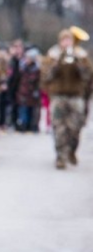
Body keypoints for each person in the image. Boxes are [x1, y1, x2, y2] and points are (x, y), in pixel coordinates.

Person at [42, 29, 93, 169]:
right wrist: (58, 63)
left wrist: (77, 63)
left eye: (69, 40)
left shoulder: (81, 55)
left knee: (75, 127)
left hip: (76, 96)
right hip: (58, 96)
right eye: (64, 40)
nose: (66, 43)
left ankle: (71, 150)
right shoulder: (52, 55)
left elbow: (88, 76)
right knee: (58, 127)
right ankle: (60, 156)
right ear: (60, 41)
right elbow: (46, 76)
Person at [15, 48, 41, 133]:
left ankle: (33, 126)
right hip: (23, 92)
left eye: (29, 58)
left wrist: (36, 91)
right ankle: (23, 125)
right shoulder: (22, 68)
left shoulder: (37, 69)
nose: (27, 60)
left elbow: (38, 82)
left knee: (33, 110)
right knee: (23, 110)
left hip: (33, 93)